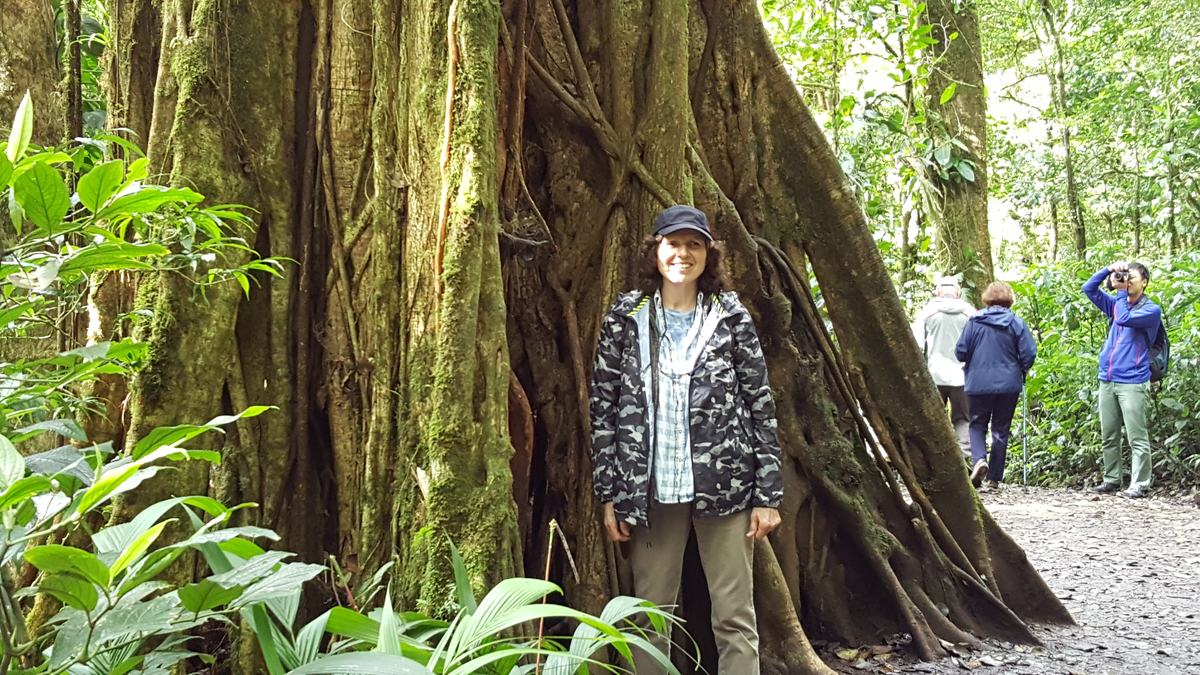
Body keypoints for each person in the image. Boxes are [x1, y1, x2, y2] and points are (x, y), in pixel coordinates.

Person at [589, 204, 783, 675]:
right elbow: (604, 409)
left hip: (727, 487)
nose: (682, 254)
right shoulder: (626, 315)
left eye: (693, 244)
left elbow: (760, 402)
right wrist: (610, 494)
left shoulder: (729, 314)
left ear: (707, 254)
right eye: (672, 244)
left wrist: (768, 495)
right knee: (649, 616)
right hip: (650, 489)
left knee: (735, 616)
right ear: (655, 252)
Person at [1082, 261, 1161, 498]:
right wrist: (1108, 270)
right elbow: (1089, 289)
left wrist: (1118, 292)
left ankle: (1140, 483)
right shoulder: (1119, 304)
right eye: (1124, 276)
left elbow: (1125, 318)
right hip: (1108, 378)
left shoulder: (1151, 310)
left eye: (1132, 277)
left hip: (1133, 380)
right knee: (1109, 434)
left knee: (1136, 435)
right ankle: (1112, 479)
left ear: (1144, 282)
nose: (1127, 280)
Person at [955, 282, 1036, 490]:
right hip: (1009, 384)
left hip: (978, 382)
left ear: (987, 298)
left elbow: (960, 352)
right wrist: (1021, 369)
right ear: (1009, 299)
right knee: (1001, 428)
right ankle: (994, 478)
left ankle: (979, 460)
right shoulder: (1015, 322)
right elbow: (1029, 353)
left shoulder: (974, 321)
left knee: (977, 423)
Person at [913, 276, 976, 459]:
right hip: (963, 376)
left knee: (933, 420)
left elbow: (916, 344)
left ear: (937, 291)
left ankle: (936, 460)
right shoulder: (970, 313)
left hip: (934, 376)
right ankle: (965, 459)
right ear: (957, 292)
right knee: (963, 419)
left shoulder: (928, 312)